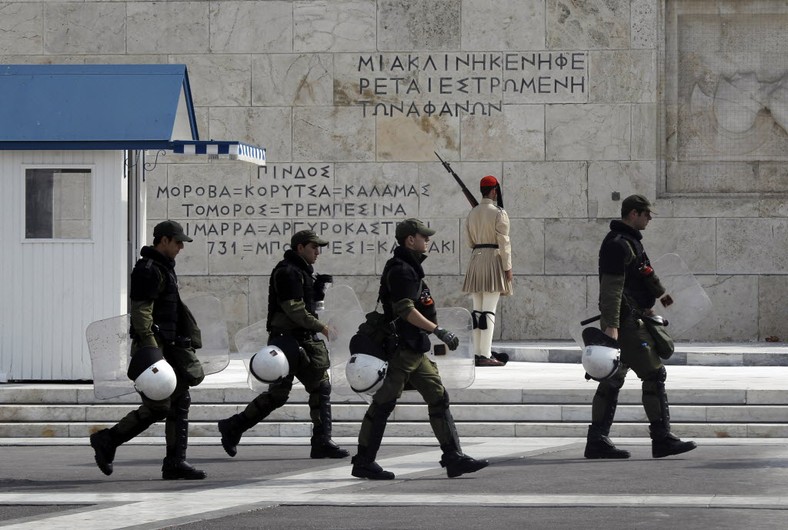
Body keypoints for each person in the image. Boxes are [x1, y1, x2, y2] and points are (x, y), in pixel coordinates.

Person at [351, 218, 490, 480]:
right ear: (409, 240)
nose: (427, 240)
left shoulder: (410, 268)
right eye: (423, 236)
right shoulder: (402, 270)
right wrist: (438, 330)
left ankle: (453, 457)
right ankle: (364, 462)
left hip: (414, 349)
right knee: (382, 404)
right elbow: (405, 310)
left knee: (438, 396)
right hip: (402, 351)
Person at [90, 220, 207, 479]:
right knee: (159, 406)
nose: (180, 248)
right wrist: (153, 353)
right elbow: (141, 313)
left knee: (179, 401)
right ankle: (108, 440)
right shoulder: (148, 269)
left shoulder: (164, 268)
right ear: (163, 240)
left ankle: (175, 462)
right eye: (177, 242)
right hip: (156, 348)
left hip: (171, 347)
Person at [218, 230, 349, 460]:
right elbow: (294, 309)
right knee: (280, 395)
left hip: (301, 340)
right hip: (288, 341)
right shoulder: (288, 272)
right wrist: (323, 328)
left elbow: (306, 307)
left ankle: (321, 441)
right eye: (313, 247)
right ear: (300, 248)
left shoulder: (302, 272)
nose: (318, 252)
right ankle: (234, 426)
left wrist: (317, 295)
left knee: (320, 388)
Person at [585, 195, 697, 459]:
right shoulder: (617, 245)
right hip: (625, 322)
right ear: (633, 213)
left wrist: (661, 295)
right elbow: (611, 290)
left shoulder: (630, 243)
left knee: (613, 378)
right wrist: (612, 327)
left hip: (630, 318)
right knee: (654, 373)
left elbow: (645, 271)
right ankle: (661, 439)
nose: (650, 218)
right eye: (646, 213)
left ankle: (597, 440)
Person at [462, 175, 512, 367]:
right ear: (494, 191)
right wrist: (508, 268)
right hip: (492, 259)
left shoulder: (472, 213)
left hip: (476, 260)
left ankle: (477, 352)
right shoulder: (499, 213)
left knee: (477, 311)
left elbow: (469, 242)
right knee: (489, 310)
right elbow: (504, 242)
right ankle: (486, 353)